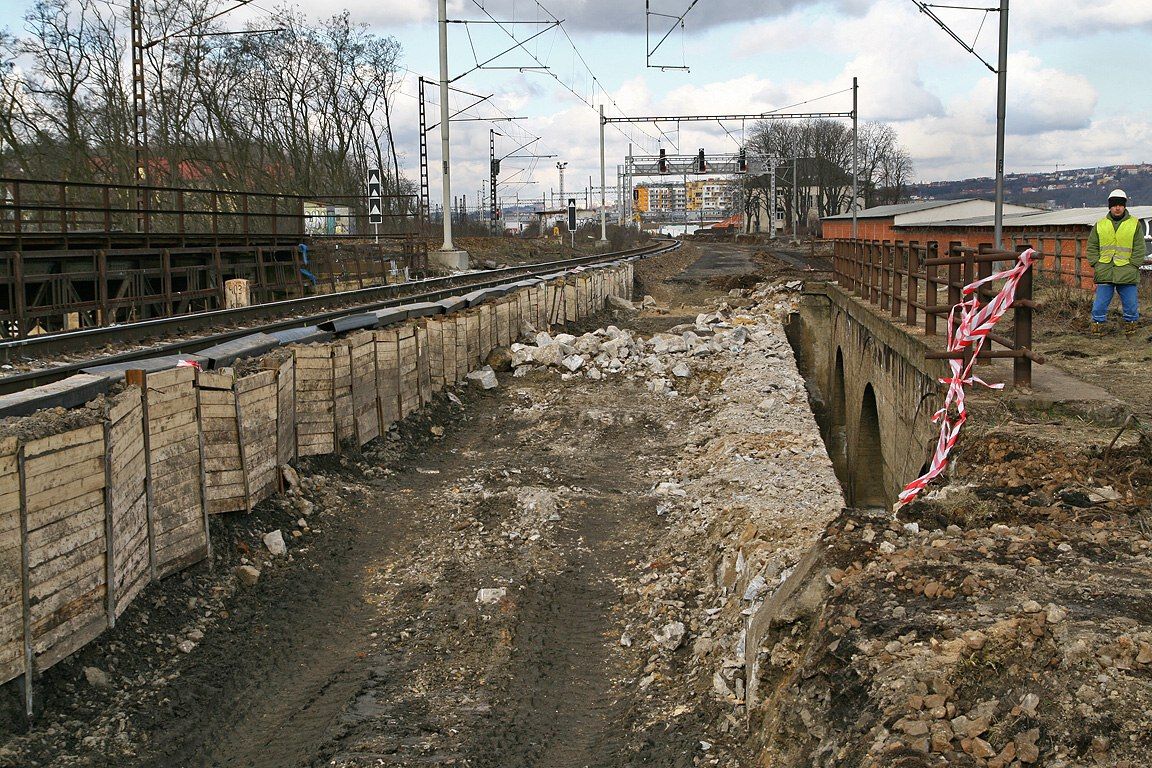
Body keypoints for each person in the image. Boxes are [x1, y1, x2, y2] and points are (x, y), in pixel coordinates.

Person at [1087, 188, 1148, 333]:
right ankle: (1097, 326)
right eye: (1114, 205)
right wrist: (1096, 263)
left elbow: (1140, 247)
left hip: (1127, 270)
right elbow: (1092, 246)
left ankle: (1131, 327)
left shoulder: (1134, 224)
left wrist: (1134, 265)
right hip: (1105, 270)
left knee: (1131, 304)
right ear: (1110, 206)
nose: (1118, 207)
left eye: (1120, 204)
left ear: (1125, 206)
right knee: (1100, 304)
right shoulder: (1100, 224)